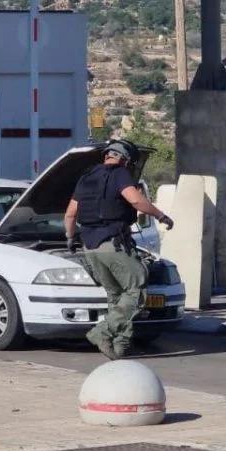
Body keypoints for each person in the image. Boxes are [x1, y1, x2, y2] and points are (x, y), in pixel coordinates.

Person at [64, 141, 174, 359]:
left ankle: (120, 346)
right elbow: (136, 201)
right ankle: (102, 331)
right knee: (137, 287)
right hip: (112, 243)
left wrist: (70, 237)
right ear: (125, 159)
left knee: (116, 296)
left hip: (89, 246)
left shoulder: (86, 177)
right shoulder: (120, 173)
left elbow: (70, 214)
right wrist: (161, 215)